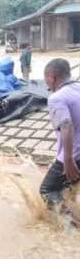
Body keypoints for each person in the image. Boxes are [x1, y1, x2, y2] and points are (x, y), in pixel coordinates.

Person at [40, 58, 80, 217]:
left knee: (47, 190)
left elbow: (67, 125)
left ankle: (72, 230)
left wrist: (68, 160)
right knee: (68, 189)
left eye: (46, 79)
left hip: (74, 156)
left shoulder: (56, 98)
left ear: (52, 77)